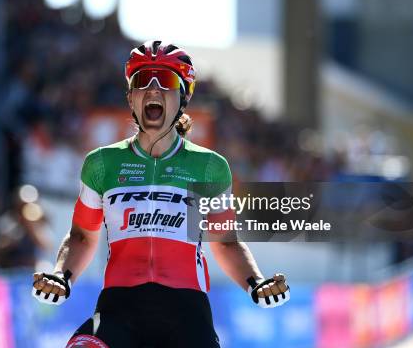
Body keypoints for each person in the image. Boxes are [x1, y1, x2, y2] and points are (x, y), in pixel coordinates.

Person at [32, 41, 291, 348]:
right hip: (120, 308)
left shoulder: (209, 166)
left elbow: (225, 242)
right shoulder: (101, 163)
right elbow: (81, 237)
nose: (153, 90)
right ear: (131, 97)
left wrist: (255, 283)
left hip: (186, 312)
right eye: (143, 81)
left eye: (166, 82)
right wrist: (62, 276)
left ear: (183, 96)